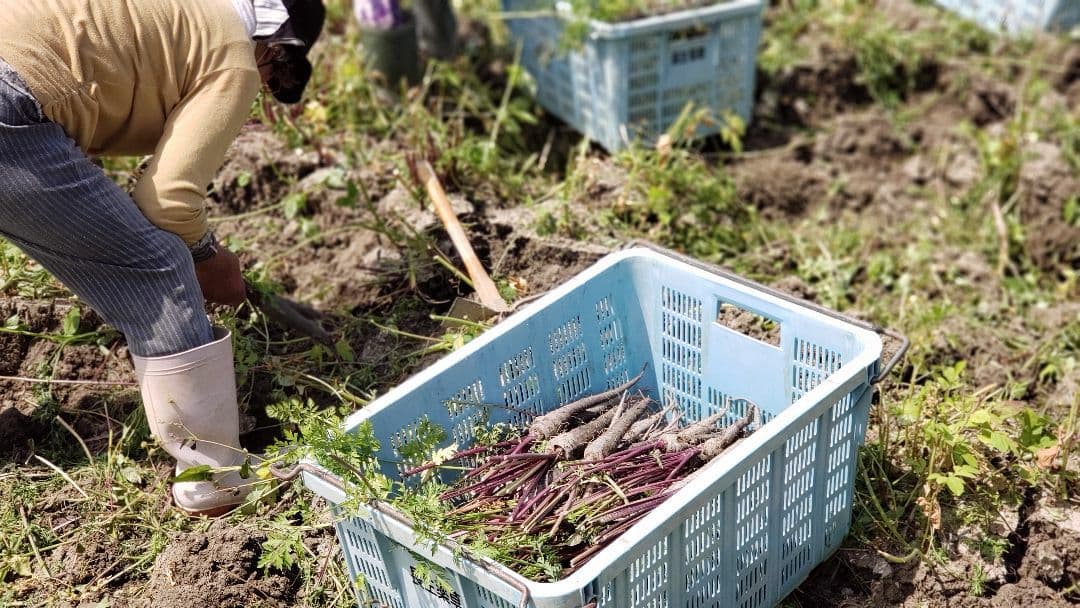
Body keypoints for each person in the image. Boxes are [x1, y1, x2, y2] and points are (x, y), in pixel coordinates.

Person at [0, 0, 325, 516]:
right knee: (159, 270)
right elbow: (168, 201)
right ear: (273, 50)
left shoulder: (175, 16)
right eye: (272, 78)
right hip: (8, 106)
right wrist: (207, 258)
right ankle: (215, 484)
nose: (261, 89)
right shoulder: (234, 57)